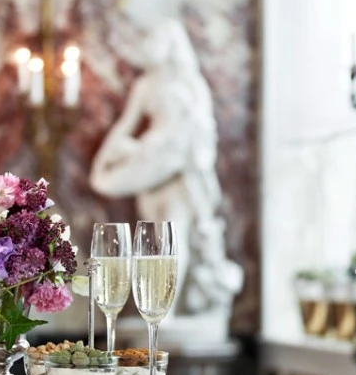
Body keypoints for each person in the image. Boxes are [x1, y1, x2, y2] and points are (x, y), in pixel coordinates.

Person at [90, 19, 243, 325]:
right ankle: (153, 310)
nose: (148, 48)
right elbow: (125, 126)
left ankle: (165, 314)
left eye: (154, 41)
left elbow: (203, 131)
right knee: (149, 245)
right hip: (151, 165)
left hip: (179, 170)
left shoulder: (191, 83)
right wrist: (108, 159)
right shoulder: (145, 85)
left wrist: (196, 166)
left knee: (173, 242)